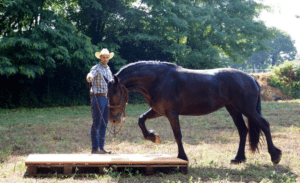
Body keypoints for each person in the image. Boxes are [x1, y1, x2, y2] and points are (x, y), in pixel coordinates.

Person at [86, 48, 114, 154]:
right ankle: (94, 148)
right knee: (96, 123)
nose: (105, 59)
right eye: (103, 57)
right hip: (98, 97)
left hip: (107, 98)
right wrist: (89, 77)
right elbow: (90, 74)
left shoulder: (108, 69)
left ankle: (101, 148)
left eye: (107, 57)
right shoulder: (96, 68)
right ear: (100, 57)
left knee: (104, 123)